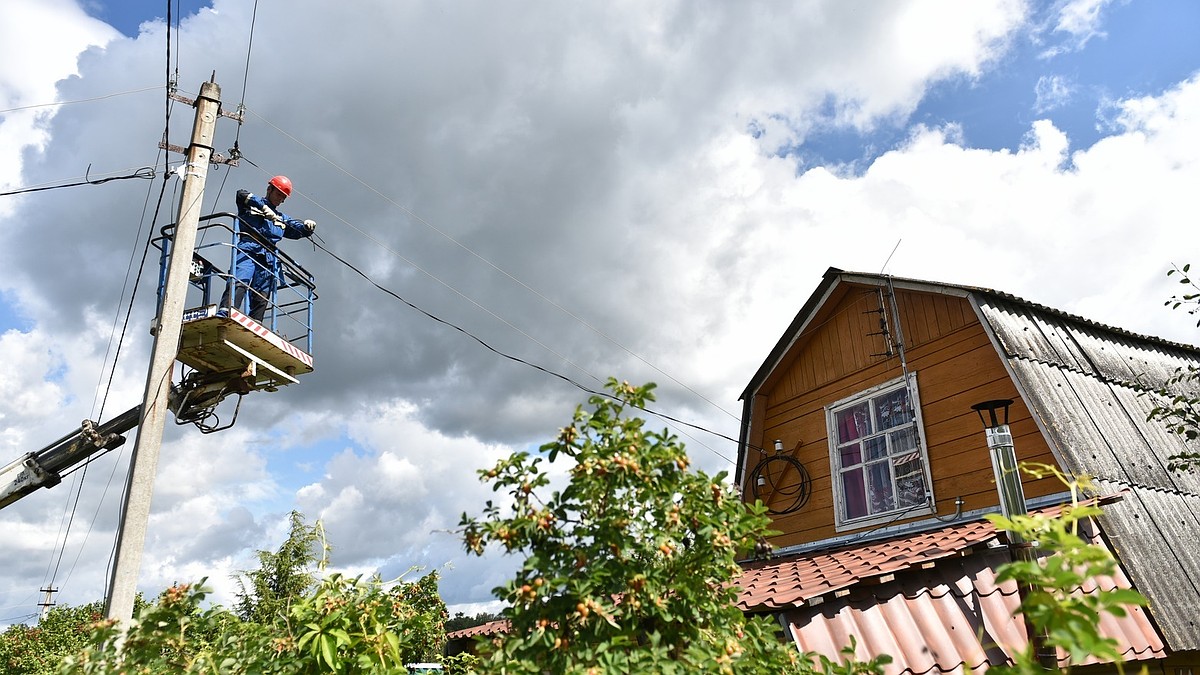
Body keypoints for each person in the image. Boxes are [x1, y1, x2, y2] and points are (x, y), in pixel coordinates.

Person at [228, 175, 316, 322]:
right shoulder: (250, 205)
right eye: (278, 195)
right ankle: (228, 311)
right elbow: (241, 194)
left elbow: (295, 230)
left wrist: (307, 229)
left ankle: (256, 322)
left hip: (268, 258)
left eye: (283, 198)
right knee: (240, 279)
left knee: (262, 293)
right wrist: (263, 207)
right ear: (269, 189)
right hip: (249, 249)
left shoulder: (282, 218)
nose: (280, 200)